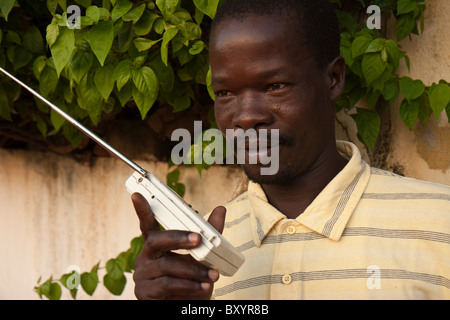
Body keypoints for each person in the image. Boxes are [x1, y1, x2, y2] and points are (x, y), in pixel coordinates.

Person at [131, 0, 450, 300]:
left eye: (274, 86)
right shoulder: (200, 260)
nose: (245, 117)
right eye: (226, 92)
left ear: (334, 79)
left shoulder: (439, 225)